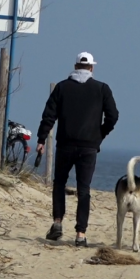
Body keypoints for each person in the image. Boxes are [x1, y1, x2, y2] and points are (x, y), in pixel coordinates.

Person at [37, 52, 119, 247]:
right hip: (89, 147)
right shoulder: (102, 89)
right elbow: (113, 116)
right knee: (84, 190)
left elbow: (49, 115)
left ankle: (57, 222)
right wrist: (100, 134)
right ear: (91, 68)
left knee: (59, 183)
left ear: (75, 66)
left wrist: (41, 139)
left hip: (65, 143)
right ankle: (80, 234)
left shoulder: (62, 88)